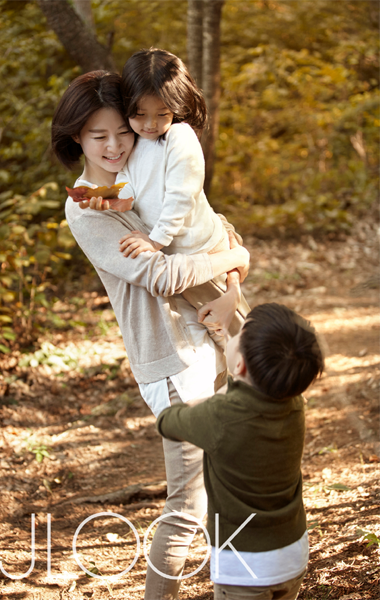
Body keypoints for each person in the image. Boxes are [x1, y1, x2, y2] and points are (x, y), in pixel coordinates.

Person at [51, 70, 251, 600]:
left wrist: (232, 281)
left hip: (220, 336)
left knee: (232, 483)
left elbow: (214, 221)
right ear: (77, 138)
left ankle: (238, 589)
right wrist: (238, 257)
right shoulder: (87, 205)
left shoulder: (151, 160)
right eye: (99, 136)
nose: (115, 146)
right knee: (187, 504)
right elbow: (161, 274)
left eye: (123, 131)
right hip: (171, 360)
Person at [157, 303, 325, 600]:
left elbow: (167, 422)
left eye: (238, 334)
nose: (232, 335)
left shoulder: (220, 416)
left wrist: (201, 404)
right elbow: (250, 392)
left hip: (245, 564)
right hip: (292, 552)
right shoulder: (294, 404)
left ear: (240, 365)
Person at [83, 47, 249, 339]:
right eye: (139, 114)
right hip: (183, 258)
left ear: (176, 106)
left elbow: (180, 196)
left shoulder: (179, 137)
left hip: (203, 247)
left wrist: (155, 239)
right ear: (127, 106)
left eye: (162, 113)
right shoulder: (136, 144)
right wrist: (111, 200)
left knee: (241, 339)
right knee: (218, 338)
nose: (150, 124)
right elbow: (131, 187)